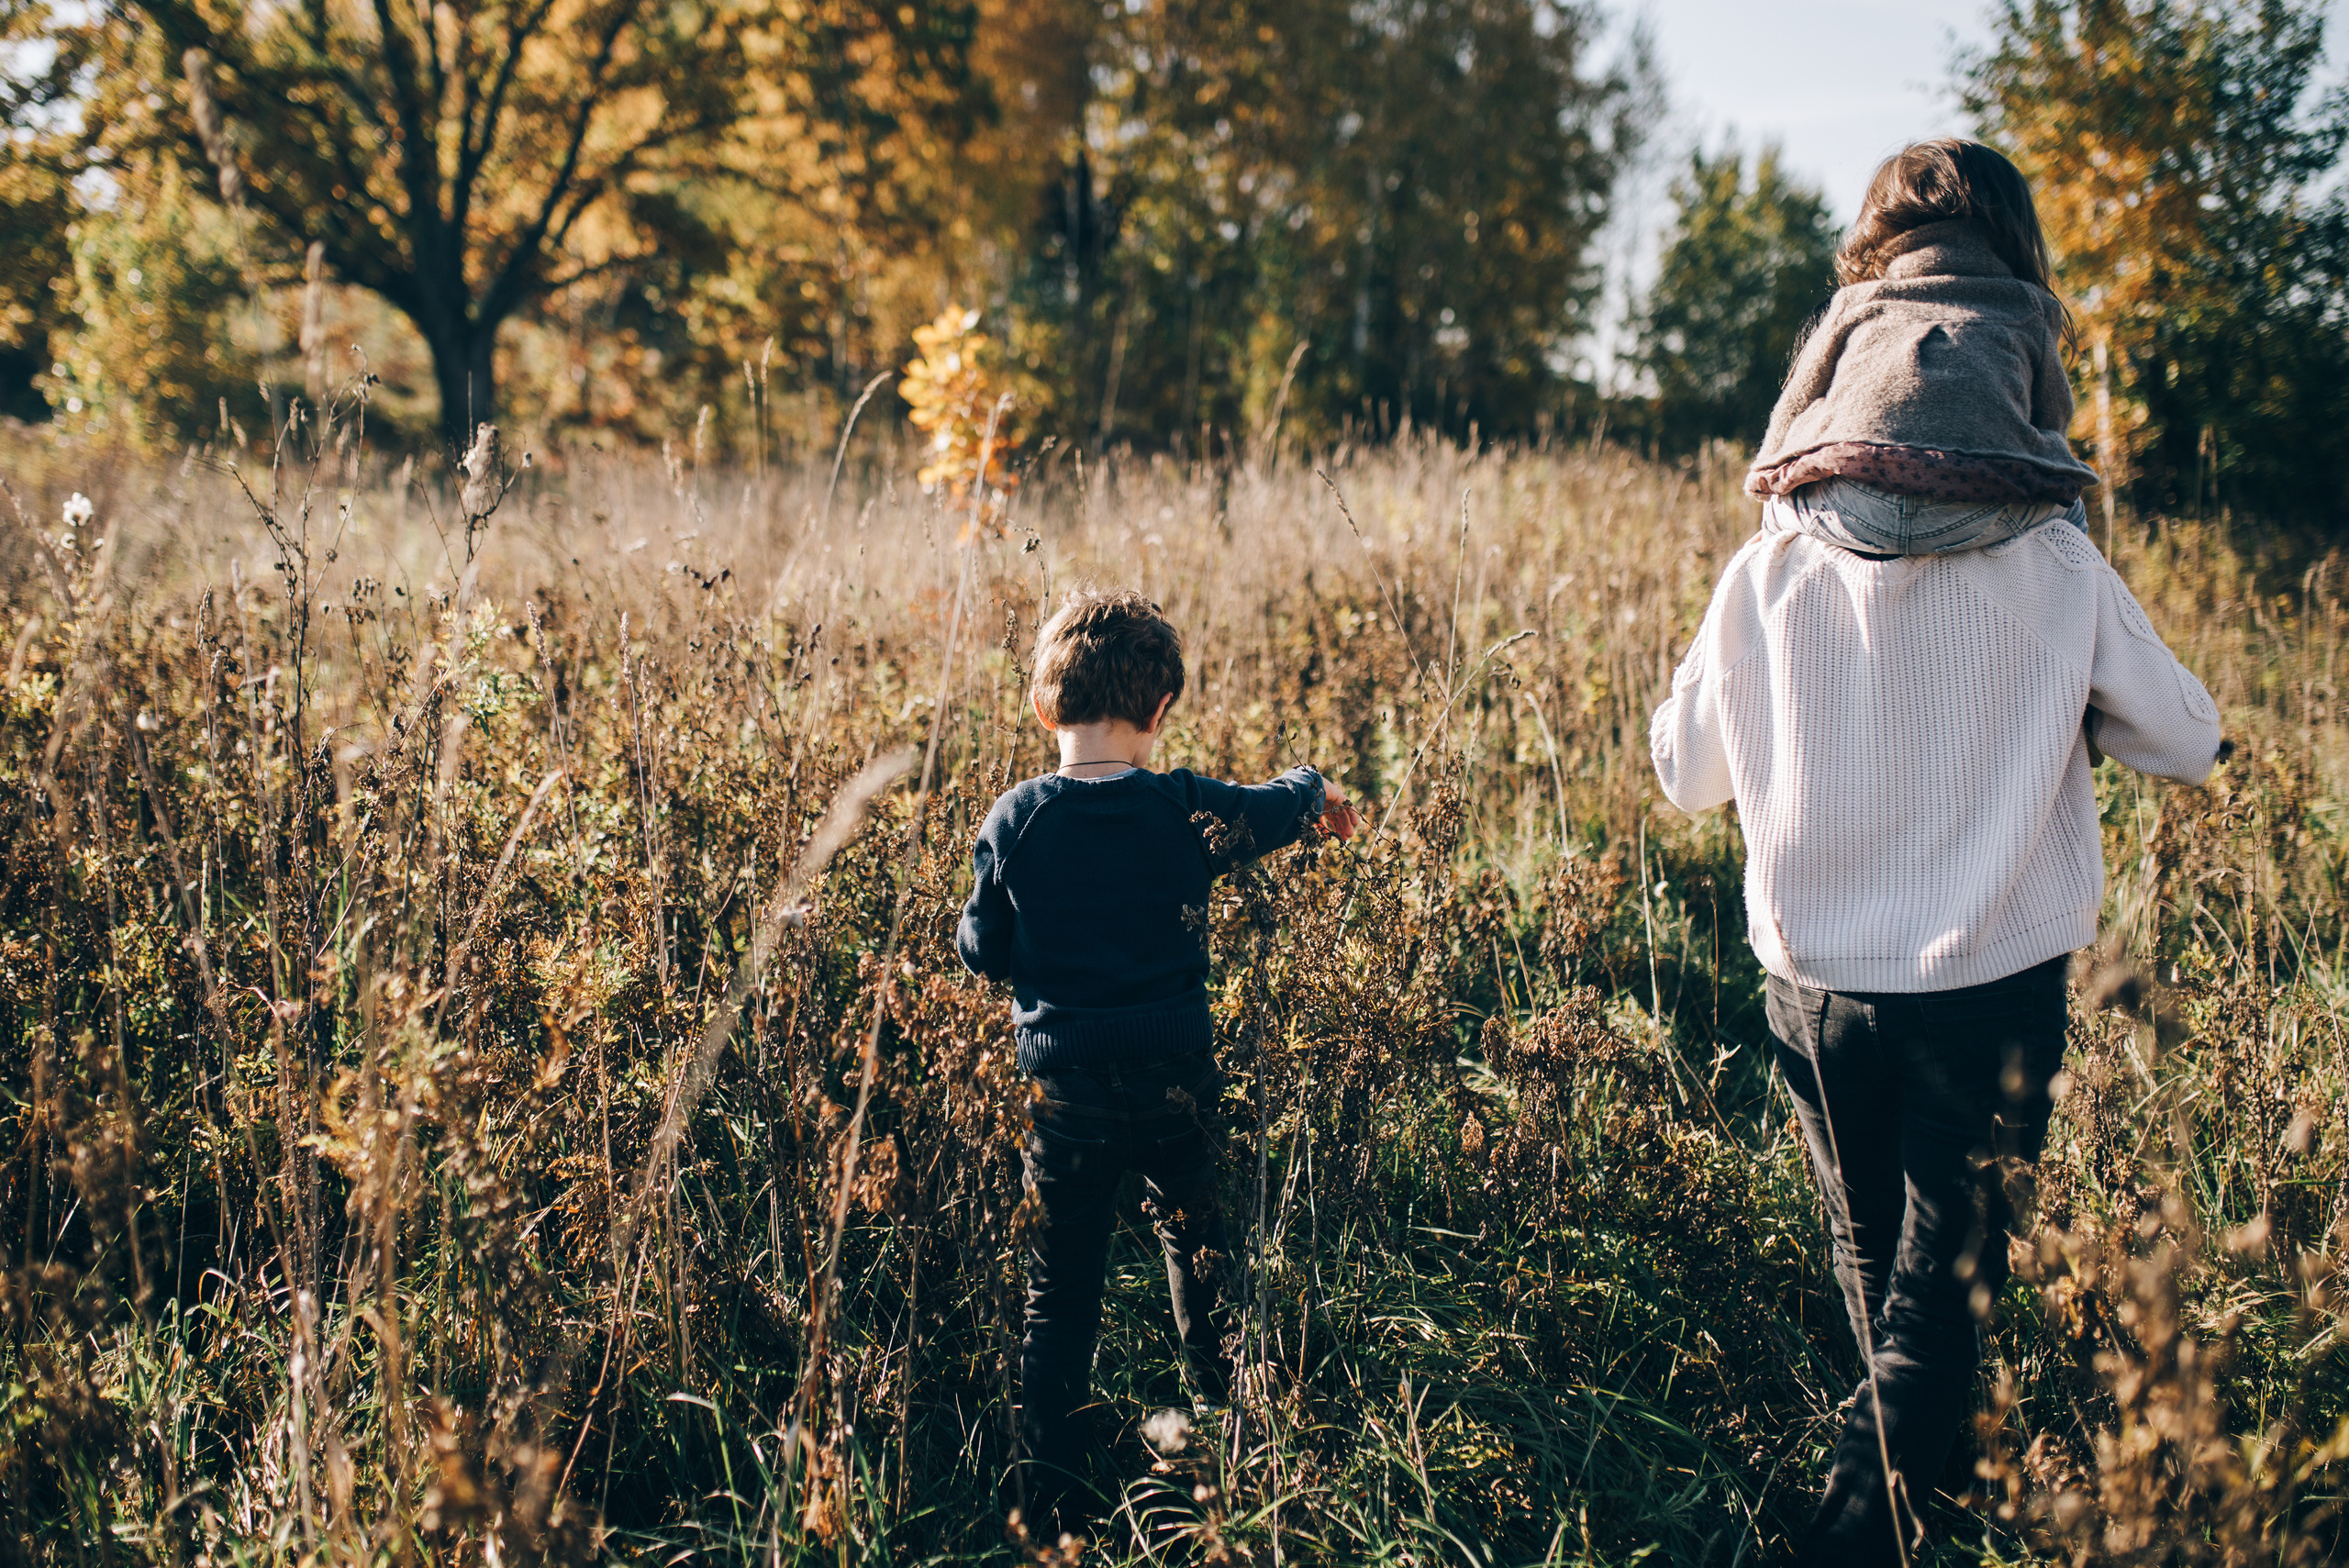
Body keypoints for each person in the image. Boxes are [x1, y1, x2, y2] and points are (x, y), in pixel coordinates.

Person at [1651, 139, 2225, 1565]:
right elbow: (2188, 738)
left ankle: (1919, 1512)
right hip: (1992, 992)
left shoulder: (1770, 562)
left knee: (1885, 1282)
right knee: (1937, 1309)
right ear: (2015, 346)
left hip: (1815, 987)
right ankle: (1870, 1536)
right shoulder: (2055, 559)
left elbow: (1684, 775)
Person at [956, 584, 1359, 1533]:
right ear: (1160, 709)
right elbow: (1272, 808)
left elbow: (983, 951)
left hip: (1064, 1095)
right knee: (1200, 1250)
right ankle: (1232, 1447)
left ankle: (1047, 1501)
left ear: (1043, 705)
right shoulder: (1182, 806)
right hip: (1177, 1077)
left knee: (1060, 1293)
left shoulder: (1017, 819)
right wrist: (1316, 790)